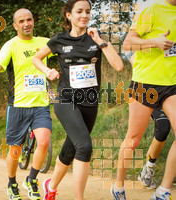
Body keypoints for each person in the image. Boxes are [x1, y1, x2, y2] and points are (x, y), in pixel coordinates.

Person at [32, 0, 123, 199]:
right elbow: (36, 59)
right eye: (79, 11)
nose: (84, 15)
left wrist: (99, 41)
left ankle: (51, 185)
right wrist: (48, 70)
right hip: (65, 100)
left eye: (88, 12)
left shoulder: (96, 39)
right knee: (85, 146)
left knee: (71, 148)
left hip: (90, 102)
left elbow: (118, 66)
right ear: (69, 15)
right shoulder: (59, 40)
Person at [0, 8, 52, 200]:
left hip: (41, 104)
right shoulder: (10, 45)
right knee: (15, 149)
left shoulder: (45, 43)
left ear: (33, 21)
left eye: (29, 19)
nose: (26, 24)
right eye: (21, 21)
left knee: (45, 140)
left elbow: (64, 52)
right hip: (18, 105)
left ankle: (31, 179)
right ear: (15, 26)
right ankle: (12, 182)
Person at [112, 0, 176, 199]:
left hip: (171, 84)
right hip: (145, 83)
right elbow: (128, 43)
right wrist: (155, 42)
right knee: (133, 140)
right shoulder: (152, 7)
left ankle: (163, 191)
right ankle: (118, 186)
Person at [130, 54, 171, 189]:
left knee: (163, 129)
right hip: (151, 90)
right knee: (164, 126)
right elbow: (133, 59)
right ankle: (148, 170)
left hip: (170, 91)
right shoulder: (155, 36)